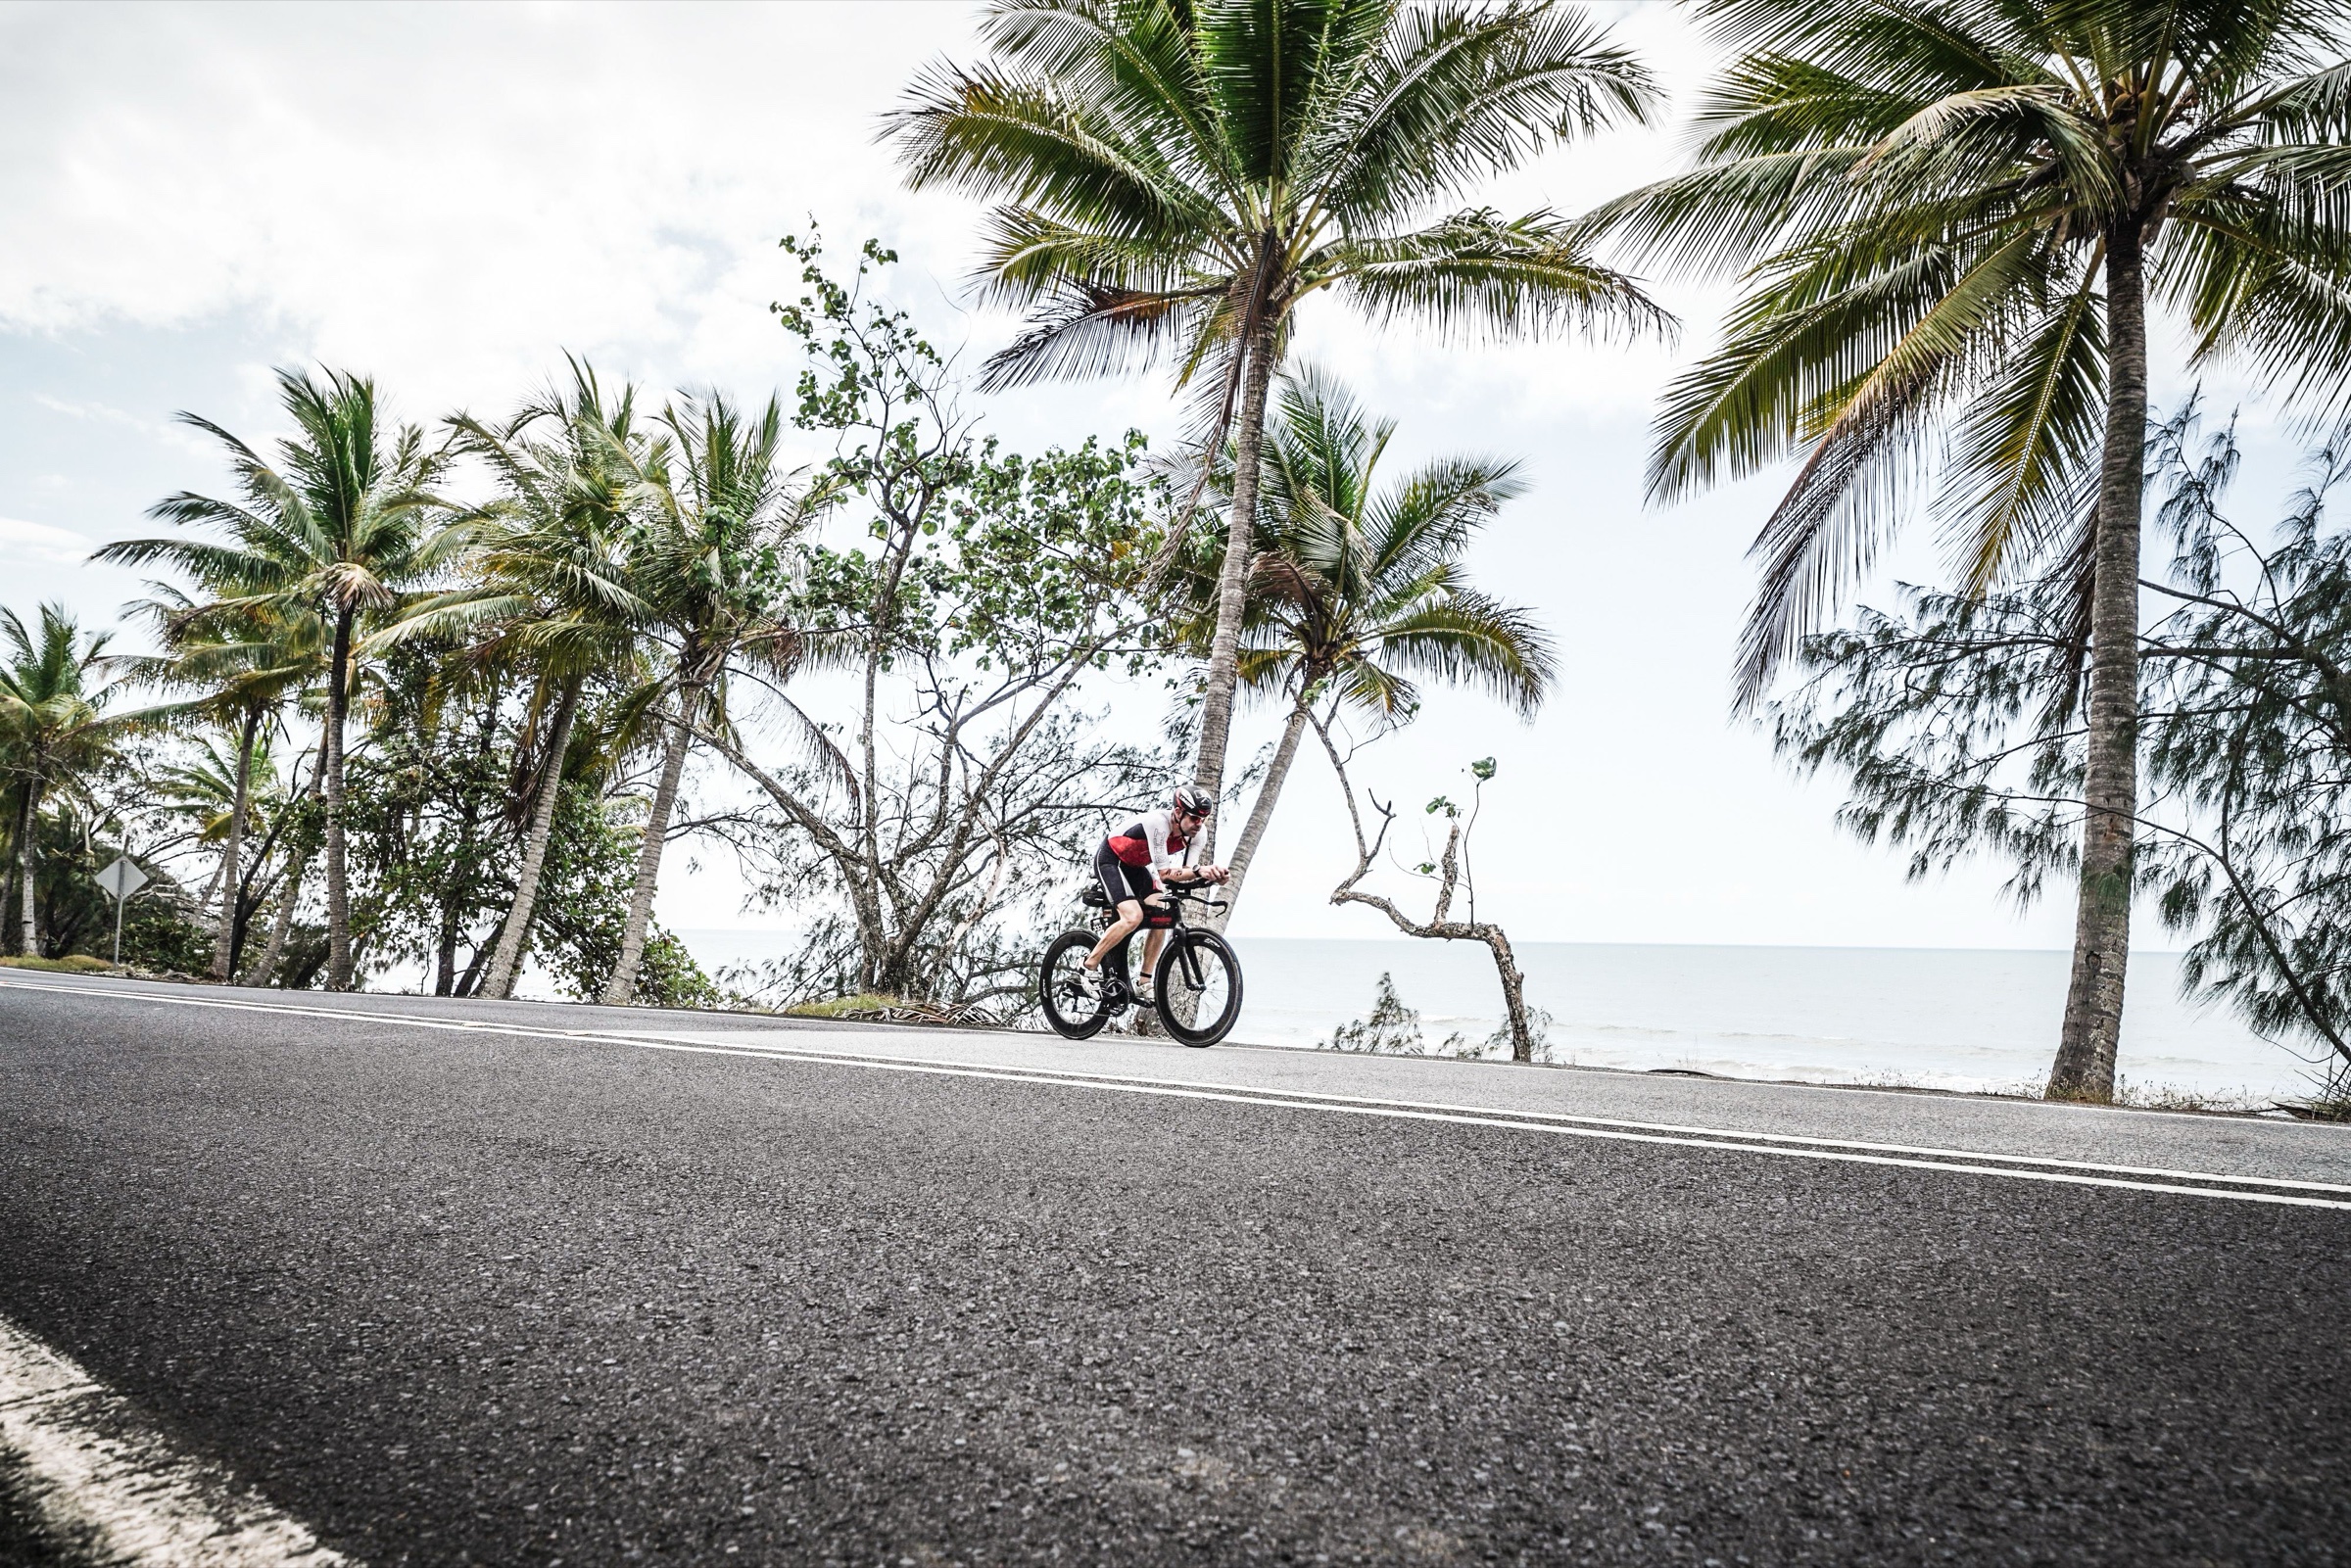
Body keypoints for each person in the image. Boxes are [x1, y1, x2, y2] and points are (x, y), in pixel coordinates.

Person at [1084, 784, 1229, 1001]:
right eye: (1194, 818)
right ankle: (1088, 967)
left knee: (1163, 912)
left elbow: (1187, 872)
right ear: (1178, 812)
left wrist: (1213, 877)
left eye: (1203, 818)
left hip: (1135, 868)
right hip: (1111, 861)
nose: (1199, 824)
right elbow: (1165, 874)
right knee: (1133, 916)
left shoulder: (1198, 834)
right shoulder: (1158, 824)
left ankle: (1144, 981)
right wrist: (1200, 871)